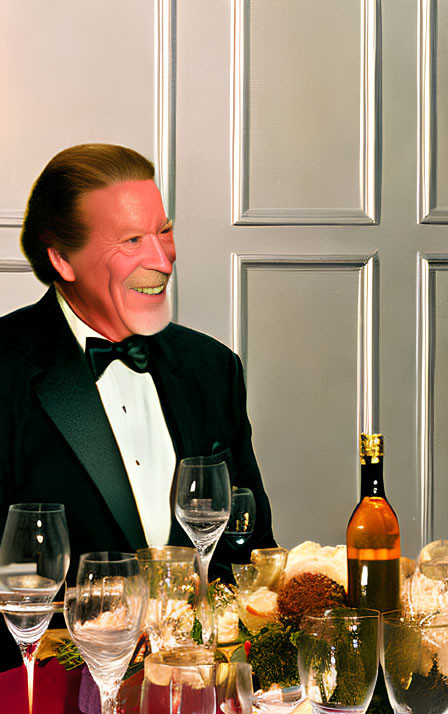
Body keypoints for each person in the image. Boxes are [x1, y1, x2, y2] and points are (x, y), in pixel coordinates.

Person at [0, 144, 275, 655]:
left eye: (164, 231)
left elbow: (250, 550)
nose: (162, 259)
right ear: (62, 257)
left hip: (199, 702)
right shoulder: (5, 373)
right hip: (48, 705)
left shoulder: (212, 368)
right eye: (132, 240)